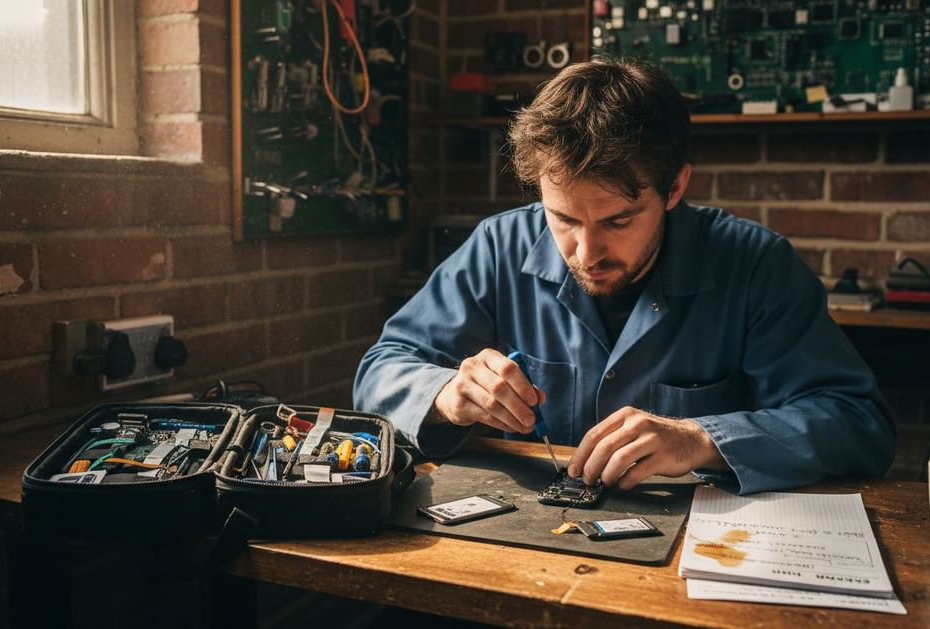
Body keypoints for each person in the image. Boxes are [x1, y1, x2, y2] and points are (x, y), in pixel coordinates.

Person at [354, 57, 895, 495]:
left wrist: (701, 438)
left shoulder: (756, 264)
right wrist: (447, 392)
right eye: (563, 218)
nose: (586, 252)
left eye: (618, 220)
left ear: (675, 188)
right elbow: (378, 376)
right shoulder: (498, 246)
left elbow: (857, 423)